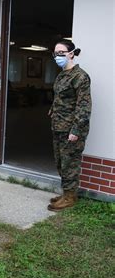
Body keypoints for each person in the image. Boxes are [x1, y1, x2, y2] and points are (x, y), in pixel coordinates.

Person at [47, 40, 91, 211]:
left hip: (71, 129)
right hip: (58, 126)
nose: (57, 56)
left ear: (71, 53)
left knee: (70, 163)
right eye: (55, 53)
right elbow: (61, 97)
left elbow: (84, 106)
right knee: (60, 162)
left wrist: (76, 130)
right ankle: (67, 192)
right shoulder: (61, 75)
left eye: (61, 53)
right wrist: (52, 109)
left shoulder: (80, 76)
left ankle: (70, 197)